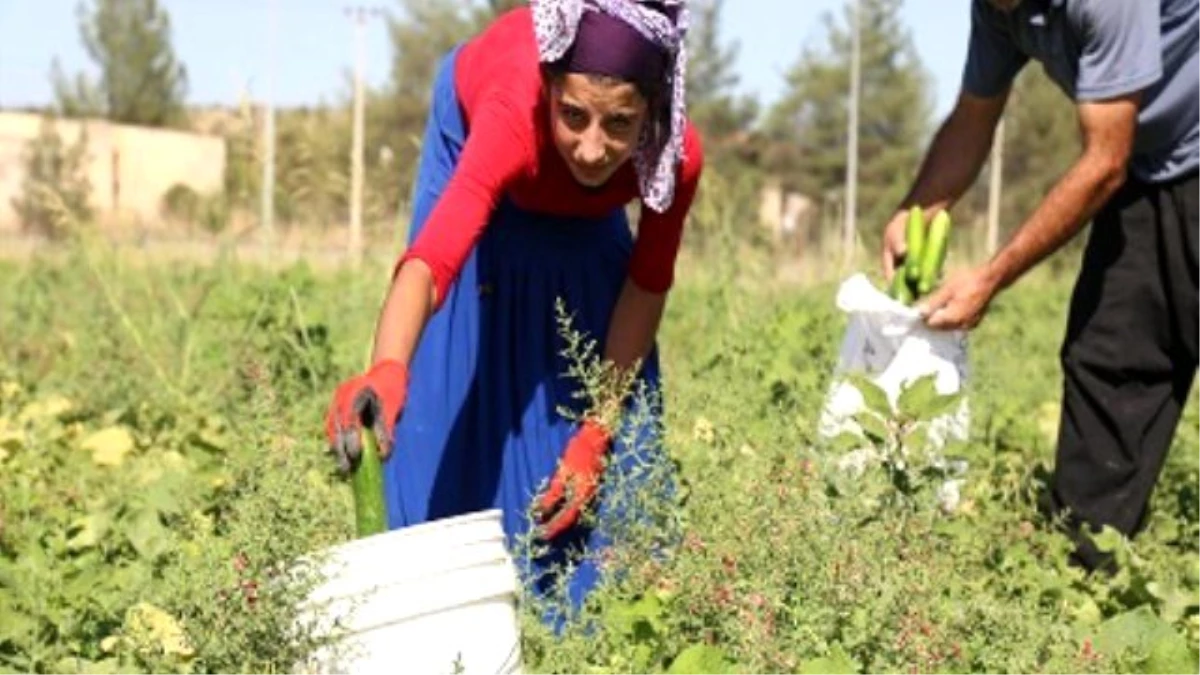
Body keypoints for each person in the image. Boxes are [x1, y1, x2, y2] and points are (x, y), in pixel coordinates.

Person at [323, 0, 702, 622]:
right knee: (451, 392)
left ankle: (580, 636)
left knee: (603, 453)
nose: (590, 147)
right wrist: (388, 368)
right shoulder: (511, 117)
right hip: (485, 139)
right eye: (574, 115)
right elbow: (433, 260)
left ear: (653, 114)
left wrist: (597, 432)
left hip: (568, 200)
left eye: (620, 124)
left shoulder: (674, 158)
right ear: (551, 87)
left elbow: (645, 287)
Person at [881, 0, 1200, 572]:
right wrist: (917, 206)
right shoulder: (998, 10)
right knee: (1111, 360)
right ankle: (1081, 582)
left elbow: (1104, 163)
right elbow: (974, 118)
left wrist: (992, 276)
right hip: (1151, 168)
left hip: (1151, 156)